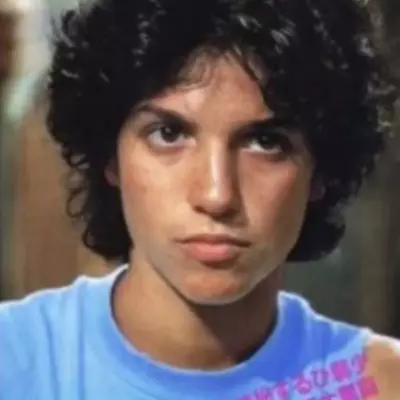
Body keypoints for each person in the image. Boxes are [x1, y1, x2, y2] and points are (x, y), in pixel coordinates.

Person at [1, 0, 399, 398]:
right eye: (169, 134)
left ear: (321, 171)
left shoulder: (381, 384)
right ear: (111, 158)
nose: (216, 195)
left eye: (265, 142)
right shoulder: (15, 364)